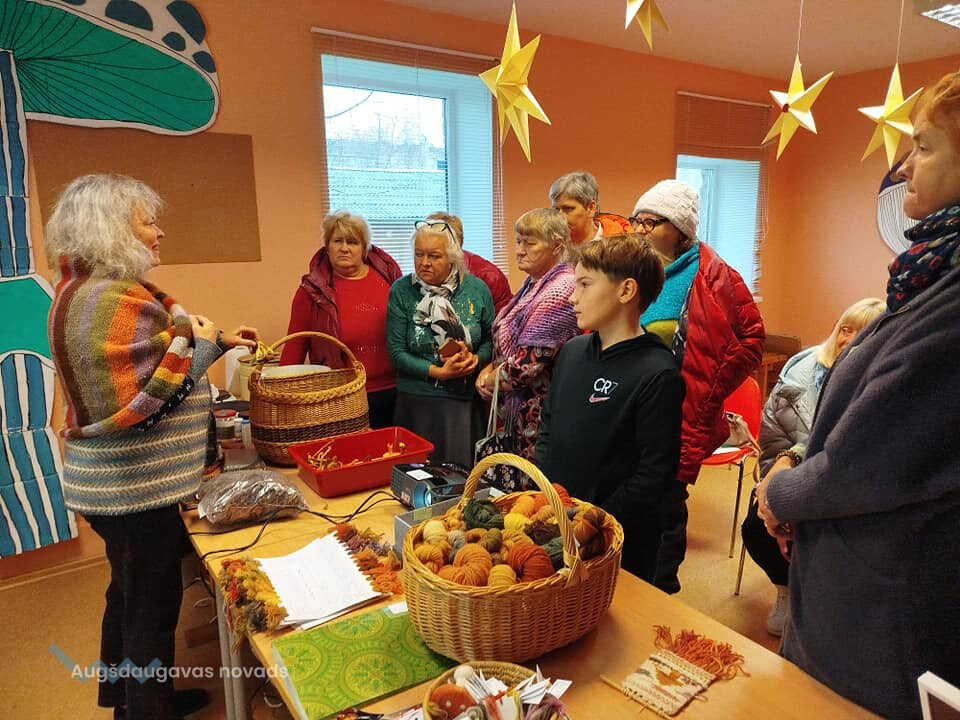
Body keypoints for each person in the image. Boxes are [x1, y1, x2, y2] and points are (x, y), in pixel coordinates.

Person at [758, 72, 960, 720]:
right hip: (858, 594)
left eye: (924, 146)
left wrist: (779, 491)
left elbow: (862, 467)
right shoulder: (930, 280)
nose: (903, 166)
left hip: (883, 622)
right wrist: (795, 459)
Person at [45, 174, 258, 720]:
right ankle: (148, 709)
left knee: (127, 594)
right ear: (112, 229)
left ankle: (131, 699)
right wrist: (204, 341)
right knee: (150, 608)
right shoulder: (109, 302)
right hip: (133, 490)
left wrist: (212, 341)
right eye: (147, 222)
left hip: (113, 488)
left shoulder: (83, 292)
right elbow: (151, 399)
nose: (159, 232)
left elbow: (159, 361)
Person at [629, 179, 764, 593]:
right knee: (629, 505)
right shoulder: (634, 268)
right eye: (637, 221)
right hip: (632, 407)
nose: (640, 230)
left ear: (679, 229)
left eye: (651, 222)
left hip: (678, 412)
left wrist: (708, 387)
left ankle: (662, 597)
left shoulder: (712, 275)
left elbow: (751, 340)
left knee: (666, 508)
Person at [535, 234, 684, 581]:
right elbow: (548, 426)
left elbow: (653, 474)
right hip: (558, 520)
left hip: (614, 538)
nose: (572, 297)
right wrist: (549, 498)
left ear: (626, 290)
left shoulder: (657, 373)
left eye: (585, 284)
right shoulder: (572, 351)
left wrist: (592, 524)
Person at [741, 298, 884, 637]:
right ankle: (786, 589)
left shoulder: (882, 385)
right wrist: (782, 496)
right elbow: (772, 444)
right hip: (792, 480)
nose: (850, 340)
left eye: (864, 333)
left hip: (844, 494)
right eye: (845, 329)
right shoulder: (798, 375)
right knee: (757, 525)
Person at [475, 209, 580, 483]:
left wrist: (489, 380)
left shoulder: (561, 288)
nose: (519, 251)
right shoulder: (535, 282)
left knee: (535, 490)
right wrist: (489, 370)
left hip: (541, 415)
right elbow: (503, 343)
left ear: (557, 245)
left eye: (530, 243)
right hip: (519, 411)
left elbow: (527, 366)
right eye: (518, 241)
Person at [386, 220, 494, 466]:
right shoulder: (401, 291)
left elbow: (491, 340)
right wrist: (438, 372)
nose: (424, 262)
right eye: (419, 254)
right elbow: (396, 352)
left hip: (463, 401)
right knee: (416, 476)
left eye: (434, 256)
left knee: (461, 475)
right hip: (416, 401)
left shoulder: (477, 289)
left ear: (452, 259)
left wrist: (476, 359)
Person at [280, 211, 402, 428]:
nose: (344, 248)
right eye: (337, 241)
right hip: (342, 398)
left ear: (364, 248)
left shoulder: (389, 278)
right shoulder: (311, 292)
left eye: (352, 242)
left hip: (396, 391)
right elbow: (295, 345)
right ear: (327, 246)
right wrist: (282, 394)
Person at [426, 211, 512, 314]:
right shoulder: (424, 271)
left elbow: (506, 321)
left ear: (457, 244)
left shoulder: (490, 277)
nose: (425, 262)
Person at [549, 171, 630, 244]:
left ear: (591, 208)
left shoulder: (622, 246)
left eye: (568, 208)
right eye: (556, 209)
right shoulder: (549, 245)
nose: (559, 216)